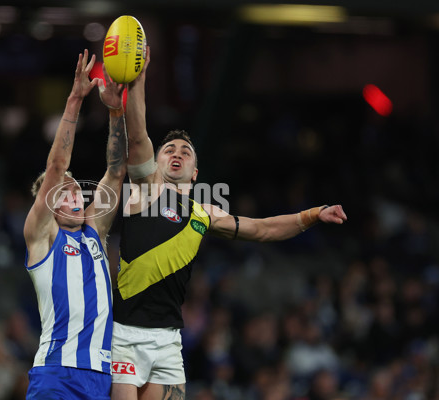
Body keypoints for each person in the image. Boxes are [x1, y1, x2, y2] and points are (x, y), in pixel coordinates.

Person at [110, 47, 348, 400]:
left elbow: (263, 229)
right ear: (155, 163)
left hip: (168, 343)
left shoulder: (204, 214)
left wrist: (311, 215)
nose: (177, 153)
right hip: (125, 336)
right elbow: (139, 134)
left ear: (194, 175)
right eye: (169, 150)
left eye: (185, 152)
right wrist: (140, 79)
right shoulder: (143, 191)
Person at [23, 49, 126, 400]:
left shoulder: (94, 232)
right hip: (56, 372)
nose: (75, 198)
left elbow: (115, 171)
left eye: (76, 192)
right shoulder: (43, 235)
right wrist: (75, 100)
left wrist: (115, 109)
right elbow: (56, 168)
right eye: (64, 194)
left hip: (99, 376)